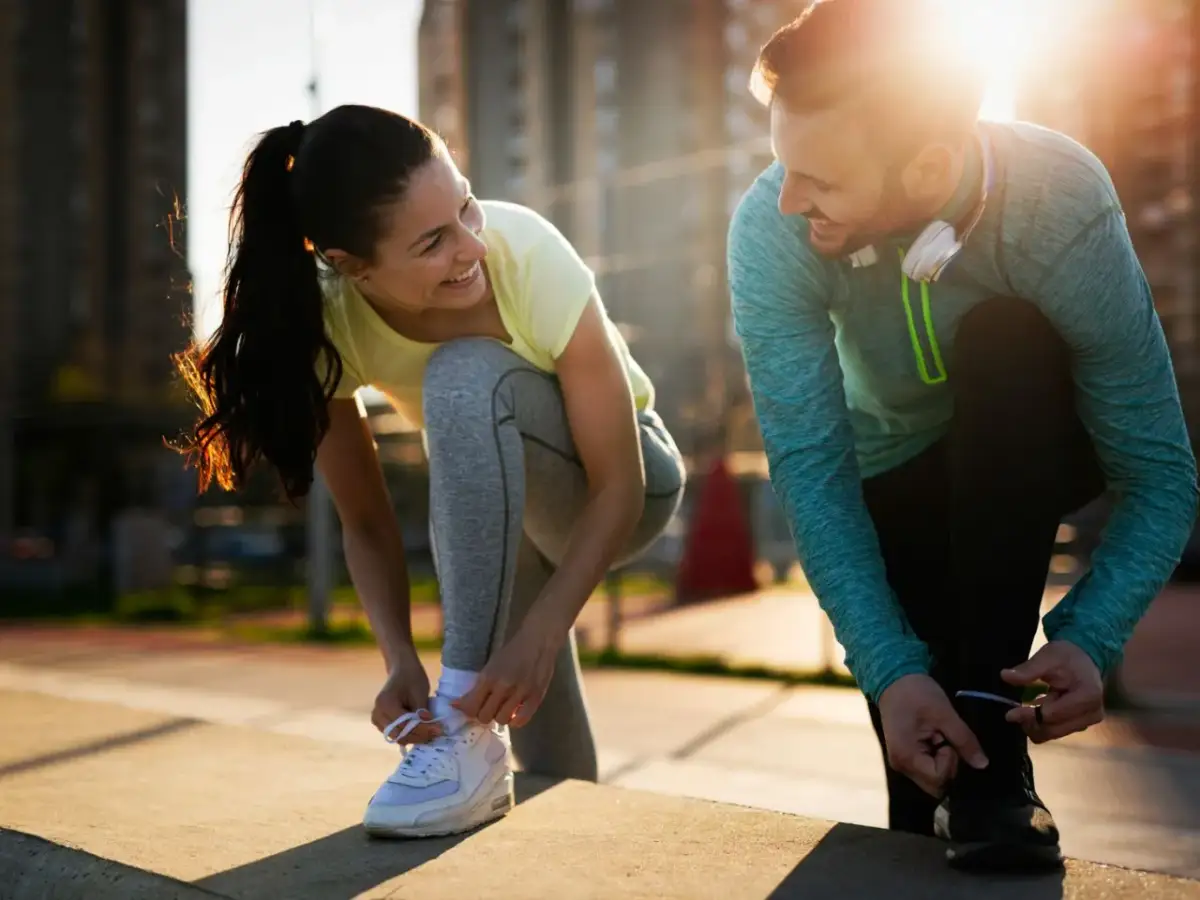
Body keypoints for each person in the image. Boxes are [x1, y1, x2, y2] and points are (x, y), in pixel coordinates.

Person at [727, 0, 1198, 874]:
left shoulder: (1057, 200)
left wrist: (1091, 635)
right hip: (889, 476)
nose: (788, 200)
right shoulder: (771, 229)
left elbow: (1162, 474)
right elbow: (812, 472)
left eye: (820, 179)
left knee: (1006, 338)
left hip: (1030, 447)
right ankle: (981, 776)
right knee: (931, 794)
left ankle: (990, 724)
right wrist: (889, 669)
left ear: (930, 164)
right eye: (782, 165)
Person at [174, 104, 685, 838]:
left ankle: (457, 710)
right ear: (352, 266)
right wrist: (397, 658)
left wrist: (542, 636)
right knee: (543, 765)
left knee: (464, 374)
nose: (471, 245)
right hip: (506, 519)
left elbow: (620, 486)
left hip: (625, 487)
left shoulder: (526, 253)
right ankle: (520, 803)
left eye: (467, 204)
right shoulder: (330, 322)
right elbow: (367, 521)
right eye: (433, 241)